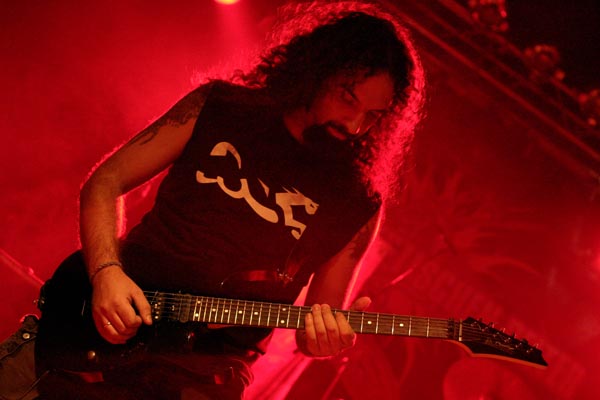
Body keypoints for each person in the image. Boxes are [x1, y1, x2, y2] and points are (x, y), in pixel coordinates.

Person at [34, 1, 425, 398]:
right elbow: (105, 181)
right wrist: (105, 274)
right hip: (113, 326)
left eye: (373, 116)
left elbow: (314, 332)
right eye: (348, 98)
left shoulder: (357, 202)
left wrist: (327, 339)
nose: (355, 125)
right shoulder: (220, 108)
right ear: (318, 69)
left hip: (207, 374)